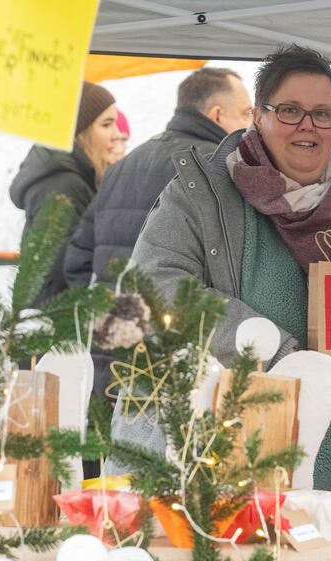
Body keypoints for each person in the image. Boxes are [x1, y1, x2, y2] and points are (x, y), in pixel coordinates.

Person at [129, 45, 331, 488]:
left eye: (322, 114)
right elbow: (153, 286)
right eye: (290, 111)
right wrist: (276, 352)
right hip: (224, 469)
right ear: (258, 116)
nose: (307, 126)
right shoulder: (203, 193)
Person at [64, 67, 252, 399]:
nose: (251, 125)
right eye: (246, 113)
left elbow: (77, 263)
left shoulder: (123, 165)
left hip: (110, 357)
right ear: (217, 115)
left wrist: (108, 321)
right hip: (179, 367)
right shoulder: (213, 170)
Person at [10, 81, 123, 304]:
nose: (117, 135)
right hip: (58, 322)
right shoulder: (65, 185)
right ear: (79, 132)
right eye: (107, 124)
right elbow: (64, 269)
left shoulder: (72, 177)